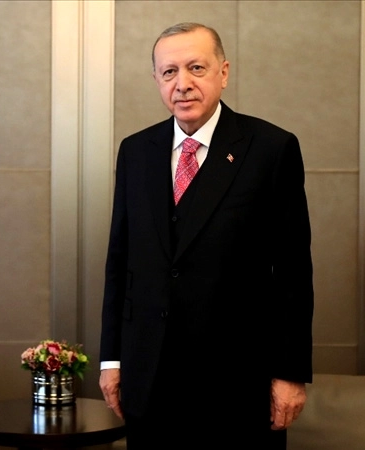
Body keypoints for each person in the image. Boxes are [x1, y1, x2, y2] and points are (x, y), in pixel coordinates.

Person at [99, 23, 313, 449]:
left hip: (238, 384)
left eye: (196, 68)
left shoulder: (271, 149)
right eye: (169, 72)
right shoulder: (136, 151)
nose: (182, 83)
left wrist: (290, 373)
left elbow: (292, 272)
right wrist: (111, 359)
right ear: (157, 79)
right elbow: (120, 262)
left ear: (224, 72)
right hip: (148, 379)